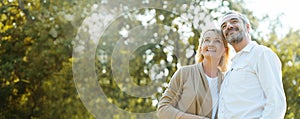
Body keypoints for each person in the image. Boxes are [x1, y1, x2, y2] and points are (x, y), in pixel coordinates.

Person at [217, 10, 287, 119]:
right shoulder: (230, 68)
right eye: (224, 26)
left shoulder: (261, 53)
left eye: (234, 21)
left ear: (248, 27)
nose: (229, 26)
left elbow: (276, 103)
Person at [157, 29, 230, 119]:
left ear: (224, 51)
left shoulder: (227, 82)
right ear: (201, 49)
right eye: (207, 40)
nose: (211, 44)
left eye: (217, 41)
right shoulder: (184, 73)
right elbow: (163, 109)